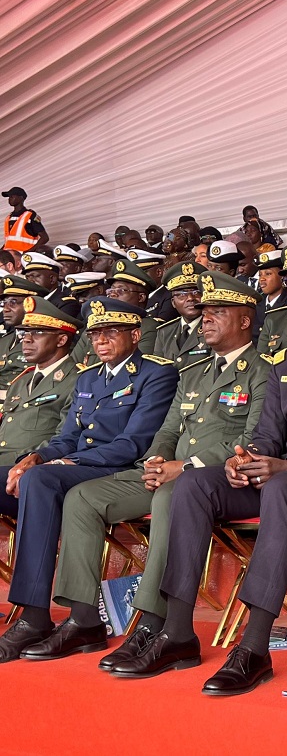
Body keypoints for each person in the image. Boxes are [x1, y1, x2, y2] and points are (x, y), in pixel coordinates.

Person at [111, 248, 287, 694]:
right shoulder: (286, 360)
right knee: (197, 484)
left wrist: (285, 464)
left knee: (279, 488)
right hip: (280, 470)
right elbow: (266, 432)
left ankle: (255, 645)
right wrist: (246, 458)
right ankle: (178, 631)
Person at [27, 274, 269, 664]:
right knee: (83, 497)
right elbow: (170, 428)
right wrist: (158, 459)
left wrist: (184, 466)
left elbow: (255, 435)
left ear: (244, 321)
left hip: (219, 478)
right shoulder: (192, 371)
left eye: (217, 313)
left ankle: (152, 623)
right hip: (168, 471)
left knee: (173, 495)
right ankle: (83, 618)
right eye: (204, 312)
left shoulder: (264, 369)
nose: (205, 319)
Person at [0, 297, 178, 662]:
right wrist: (37, 457)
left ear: (135, 333)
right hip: (79, 464)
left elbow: (132, 443)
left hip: (118, 468)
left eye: (111, 332)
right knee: (35, 475)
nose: (100, 340)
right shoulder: (89, 377)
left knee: (42, 481)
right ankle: (43, 617)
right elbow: (67, 436)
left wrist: (63, 462)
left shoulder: (155, 373)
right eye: (95, 333)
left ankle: (36, 616)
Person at [0, 297, 82, 517]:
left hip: (29, 468)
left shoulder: (77, 380)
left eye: (37, 333)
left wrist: (30, 461)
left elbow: (65, 437)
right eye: (25, 333)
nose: (27, 340)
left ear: (62, 339)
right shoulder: (21, 381)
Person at [152, 262, 210, 369]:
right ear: (173, 302)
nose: (190, 298)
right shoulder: (165, 332)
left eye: (196, 292)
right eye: (182, 294)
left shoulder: (215, 328)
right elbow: (157, 371)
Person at [0, 276, 50, 393]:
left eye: (13, 302)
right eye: (4, 303)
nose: (5, 309)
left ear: (32, 304)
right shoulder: (4, 340)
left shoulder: (46, 340)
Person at [21, 253, 80, 318]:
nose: (30, 281)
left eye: (34, 276)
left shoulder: (67, 304)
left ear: (52, 279)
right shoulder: (28, 302)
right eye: (27, 277)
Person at [128, 249, 175, 321]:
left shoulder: (169, 295)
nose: (138, 277)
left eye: (143, 273)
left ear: (159, 272)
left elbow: (160, 327)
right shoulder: (134, 295)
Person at [2, 187, 48, 252]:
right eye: (9, 197)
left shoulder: (30, 215)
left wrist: (29, 252)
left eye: (12, 196)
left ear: (21, 198)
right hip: (9, 257)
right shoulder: (8, 218)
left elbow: (45, 238)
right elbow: (9, 241)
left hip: (23, 258)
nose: (9, 199)